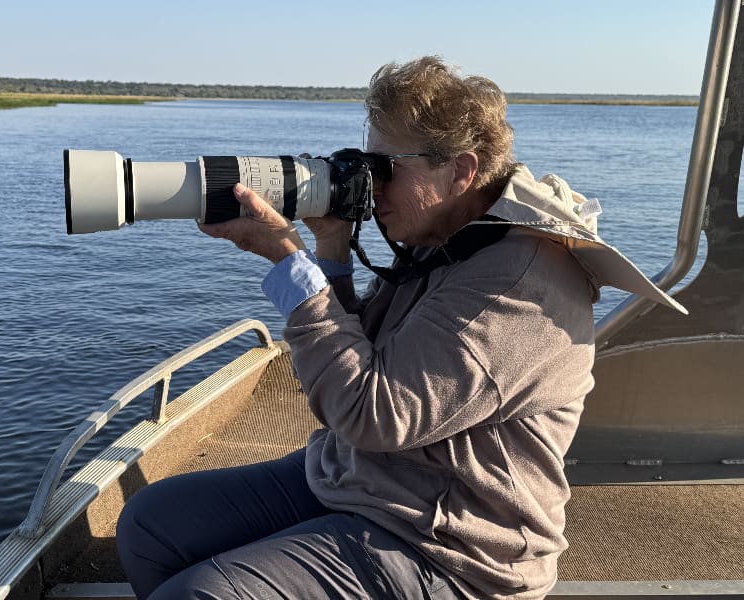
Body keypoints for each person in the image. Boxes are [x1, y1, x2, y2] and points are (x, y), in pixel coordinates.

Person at [116, 56, 684, 599]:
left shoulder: (518, 282)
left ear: (460, 170)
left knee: (202, 595)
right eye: (366, 164)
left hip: (453, 543)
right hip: (369, 479)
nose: (372, 185)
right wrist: (331, 251)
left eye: (386, 168)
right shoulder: (448, 239)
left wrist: (288, 260)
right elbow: (353, 358)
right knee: (152, 525)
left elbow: (371, 413)